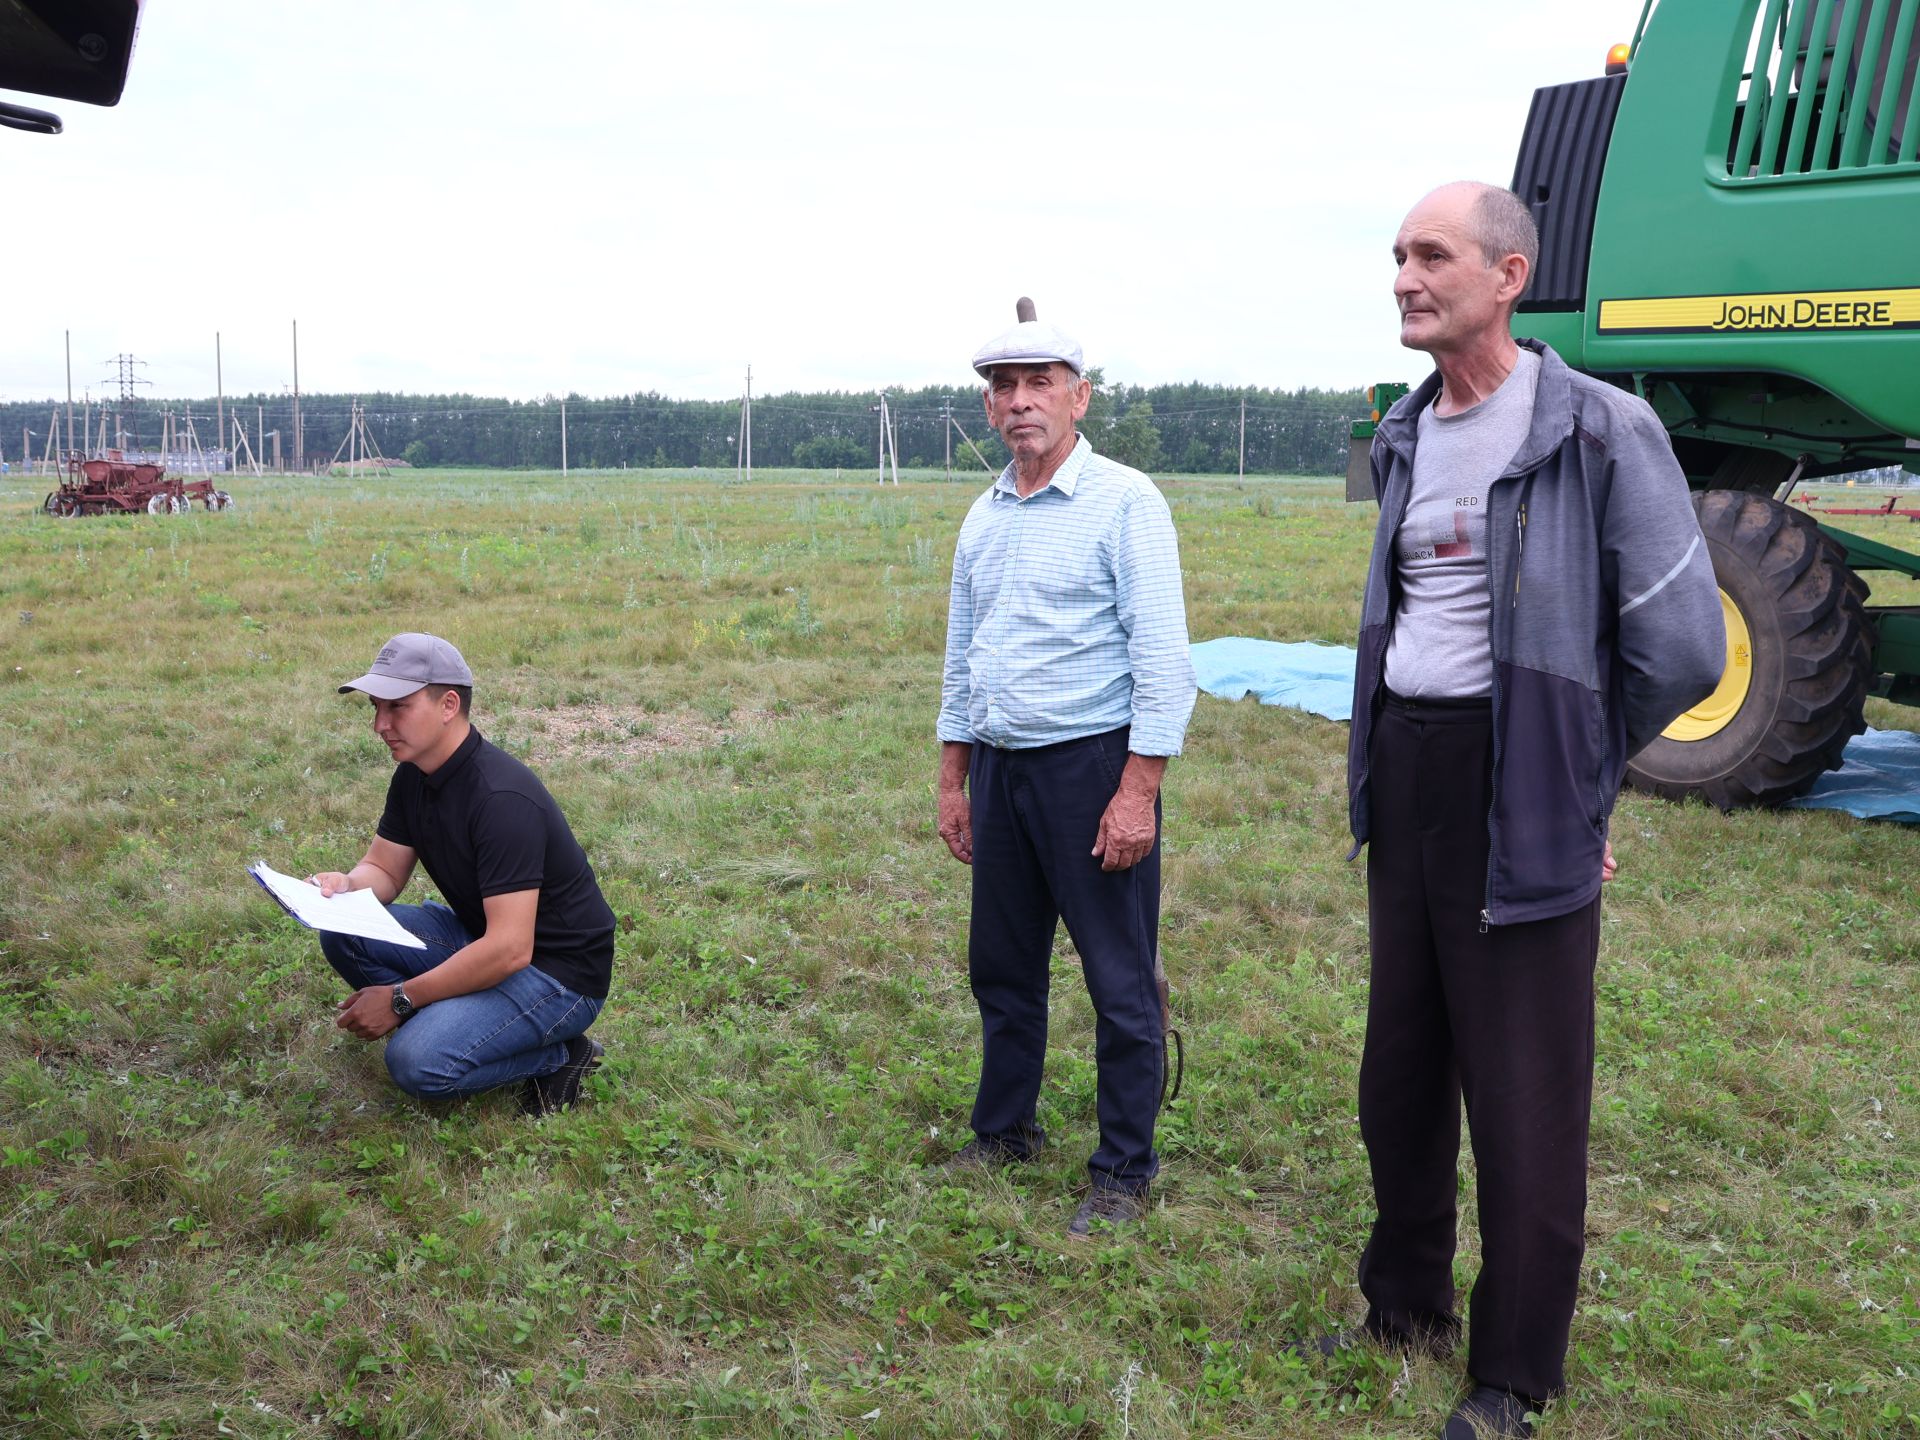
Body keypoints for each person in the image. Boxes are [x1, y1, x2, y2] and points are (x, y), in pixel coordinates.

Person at [1336, 184, 1723, 1437]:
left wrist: (1578, 772)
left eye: (1431, 255)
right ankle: (1403, 1302)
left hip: (1528, 779)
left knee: (1525, 1090)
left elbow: (1680, 644)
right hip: (1412, 771)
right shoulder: (1405, 432)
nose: (1404, 276)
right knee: (1400, 1065)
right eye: (1397, 255)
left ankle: (1511, 1374)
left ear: (1509, 275)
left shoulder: (1600, 428)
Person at [935, 300, 1197, 1239]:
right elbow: (965, 651)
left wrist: (1137, 794)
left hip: (1093, 771)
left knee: (1119, 978)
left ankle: (1124, 1167)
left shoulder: (1124, 503)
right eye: (1002, 387)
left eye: (1039, 383)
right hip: (1004, 772)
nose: (1018, 403)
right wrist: (953, 775)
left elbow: (1165, 663)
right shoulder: (986, 510)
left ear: (1080, 398)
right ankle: (1004, 1129)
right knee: (1002, 967)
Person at [312, 632, 615, 1116]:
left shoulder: (501, 800)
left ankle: (563, 1055)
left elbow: (511, 949)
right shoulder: (414, 774)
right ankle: (463, 1019)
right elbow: (384, 870)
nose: (379, 725)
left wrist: (400, 1000)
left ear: (449, 703)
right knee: (343, 929)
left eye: (398, 707)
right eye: (375, 707)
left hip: (558, 976)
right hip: (486, 941)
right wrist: (345, 885)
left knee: (416, 1062)